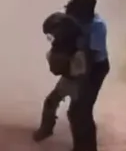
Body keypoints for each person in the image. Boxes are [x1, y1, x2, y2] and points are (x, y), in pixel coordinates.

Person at [64, 0, 109, 151]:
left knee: (83, 108)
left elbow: (91, 56)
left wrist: (80, 78)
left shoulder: (97, 25)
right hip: (79, 65)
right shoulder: (73, 18)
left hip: (95, 69)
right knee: (73, 111)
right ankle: (78, 148)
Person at [33, 11, 87, 143]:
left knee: (71, 111)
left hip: (76, 80)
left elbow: (73, 72)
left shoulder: (75, 50)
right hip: (72, 78)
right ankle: (47, 130)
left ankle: (80, 144)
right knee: (54, 103)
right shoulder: (74, 44)